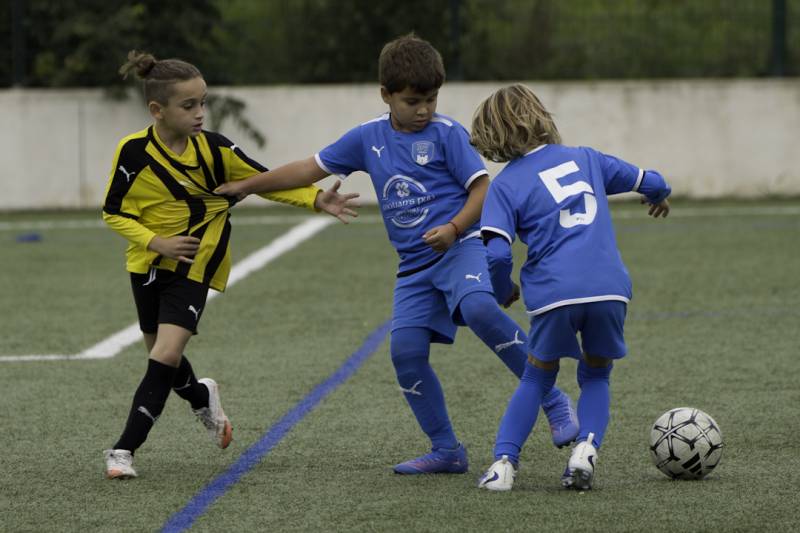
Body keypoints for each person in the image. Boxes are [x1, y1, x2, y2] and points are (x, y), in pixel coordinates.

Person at [214, 35, 578, 475]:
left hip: (461, 246)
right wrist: (247, 186)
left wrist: (454, 227)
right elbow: (309, 169)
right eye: (412, 101)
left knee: (480, 308)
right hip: (414, 268)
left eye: (431, 98)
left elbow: (483, 188)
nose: (424, 109)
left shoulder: (446, 134)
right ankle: (447, 450)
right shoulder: (367, 138)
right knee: (405, 353)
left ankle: (552, 399)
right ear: (385, 95)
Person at [101, 50, 359, 480]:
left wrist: (315, 197)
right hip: (146, 263)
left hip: (197, 264)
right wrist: (156, 241)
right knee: (163, 358)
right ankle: (201, 396)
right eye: (189, 106)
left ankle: (123, 449)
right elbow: (113, 212)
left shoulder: (216, 149)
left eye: (203, 102)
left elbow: (265, 180)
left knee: (163, 355)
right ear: (156, 109)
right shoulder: (131, 152)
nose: (201, 113)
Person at [470, 83, 671, 491]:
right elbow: (653, 180)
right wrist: (659, 197)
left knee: (536, 379)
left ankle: (503, 465)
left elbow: (495, 255)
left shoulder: (504, 186)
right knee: (596, 377)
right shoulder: (587, 159)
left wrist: (502, 289)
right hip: (610, 289)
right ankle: (586, 449)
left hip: (554, 292)